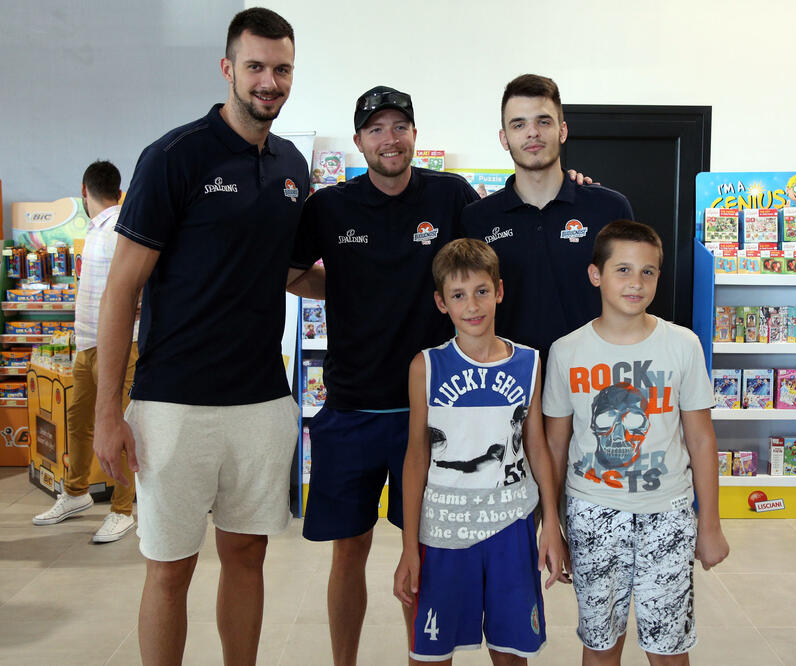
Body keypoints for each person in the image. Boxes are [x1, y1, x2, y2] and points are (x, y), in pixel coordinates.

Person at [93, 8, 313, 664]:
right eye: (255, 66)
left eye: (281, 69)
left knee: (247, 556)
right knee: (170, 567)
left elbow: (291, 272)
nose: (269, 81)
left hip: (261, 401)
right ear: (227, 68)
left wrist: (386, 280)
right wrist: (108, 411)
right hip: (173, 404)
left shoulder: (292, 165)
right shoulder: (174, 156)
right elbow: (121, 290)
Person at [288, 85, 481, 664]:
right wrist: (344, 289)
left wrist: (569, 182)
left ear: (414, 134)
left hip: (432, 412)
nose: (389, 139)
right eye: (375, 129)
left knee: (423, 554)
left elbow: (496, 247)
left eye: (399, 127)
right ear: (358, 141)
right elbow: (291, 274)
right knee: (348, 552)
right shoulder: (329, 207)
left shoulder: (450, 196)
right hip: (350, 409)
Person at [543, 220, 729, 665]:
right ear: (596, 274)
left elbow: (701, 439)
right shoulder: (566, 351)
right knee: (601, 645)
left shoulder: (682, 345)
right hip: (592, 513)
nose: (636, 283)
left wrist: (710, 523)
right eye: (623, 270)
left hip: (668, 513)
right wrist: (550, 524)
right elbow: (554, 447)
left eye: (648, 272)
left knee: (668, 649)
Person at [393, 238, 569, 664]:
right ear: (441, 302)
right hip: (444, 530)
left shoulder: (529, 362)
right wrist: (409, 546)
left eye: (481, 291)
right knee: (431, 654)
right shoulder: (426, 366)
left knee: (511, 652)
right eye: (458, 295)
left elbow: (536, 446)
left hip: (511, 526)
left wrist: (551, 523)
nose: (472, 305)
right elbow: (415, 458)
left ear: (499, 291)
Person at [461, 74, 634, 359]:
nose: (532, 133)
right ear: (504, 138)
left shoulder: (608, 208)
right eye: (519, 124)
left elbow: (632, 298)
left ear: (562, 131)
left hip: (593, 375)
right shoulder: (477, 218)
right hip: (509, 377)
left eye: (543, 121)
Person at [32, 160, 139, 543]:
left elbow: (142, 279)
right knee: (78, 422)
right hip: (88, 344)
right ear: (118, 190)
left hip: (121, 345)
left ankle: (122, 511)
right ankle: (76, 492)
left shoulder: (120, 228)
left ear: (83, 190)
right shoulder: (97, 229)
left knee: (121, 426)